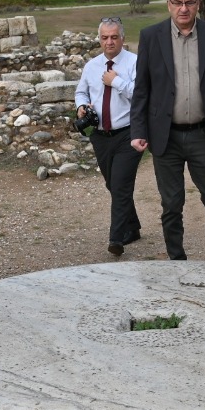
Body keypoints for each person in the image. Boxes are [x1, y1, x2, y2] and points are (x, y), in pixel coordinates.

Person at [130, 0, 205, 263]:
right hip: (164, 136)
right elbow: (142, 89)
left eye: (189, 2)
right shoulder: (151, 37)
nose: (183, 8)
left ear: (198, 4)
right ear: (168, 4)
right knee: (171, 203)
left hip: (204, 134)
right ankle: (176, 260)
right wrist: (138, 129)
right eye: (177, 2)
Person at [75, 17, 143, 256]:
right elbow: (81, 91)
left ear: (122, 38)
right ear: (100, 39)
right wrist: (81, 106)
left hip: (128, 134)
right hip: (100, 136)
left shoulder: (135, 63)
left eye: (114, 37)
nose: (109, 42)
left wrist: (117, 82)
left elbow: (143, 96)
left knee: (121, 186)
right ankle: (132, 227)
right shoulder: (92, 66)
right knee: (112, 184)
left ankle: (116, 239)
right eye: (105, 37)